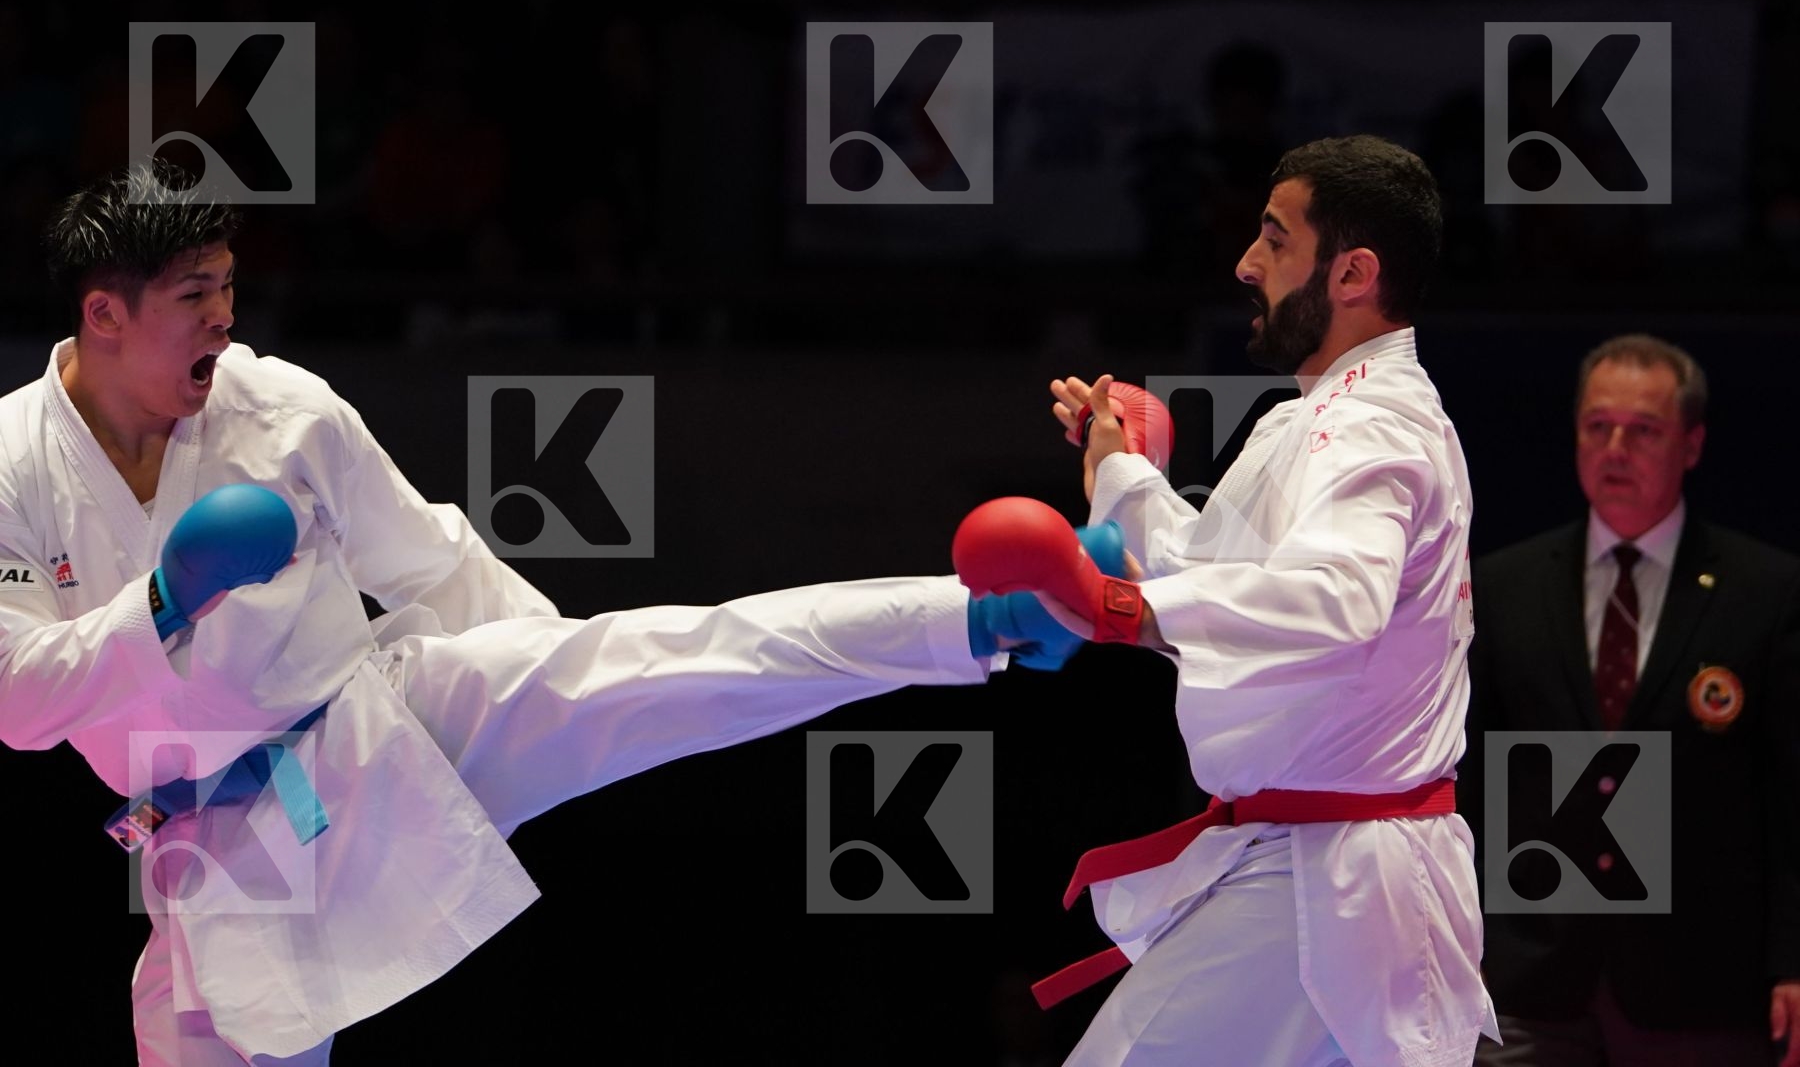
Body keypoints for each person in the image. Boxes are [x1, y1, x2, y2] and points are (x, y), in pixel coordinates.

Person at [0, 161, 1071, 1066]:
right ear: (105, 313)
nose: (226, 320)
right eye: (196, 295)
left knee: (665, 658)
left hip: (372, 728)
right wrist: (159, 604)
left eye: (229, 287)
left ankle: (981, 619)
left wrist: (550, 670)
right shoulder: (12, 463)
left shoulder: (283, 408)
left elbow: (430, 560)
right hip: (213, 840)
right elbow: (17, 702)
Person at [1031, 135, 1499, 1065]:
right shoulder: (1312, 417)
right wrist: (1117, 462)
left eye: (1276, 240)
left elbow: (1332, 600)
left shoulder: (1372, 424)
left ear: (1354, 271)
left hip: (1328, 879)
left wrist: (1132, 613)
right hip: (1325, 866)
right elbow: (1202, 568)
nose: (1248, 264)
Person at [1463, 334, 1800, 1067]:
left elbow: (1789, 795)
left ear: (1692, 443)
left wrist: (1793, 959)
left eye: (1643, 430)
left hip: (1704, 974)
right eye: (1597, 426)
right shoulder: (1502, 585)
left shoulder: (1765, 591)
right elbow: (1468, 785)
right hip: (1530, 973)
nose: (1615, 447)